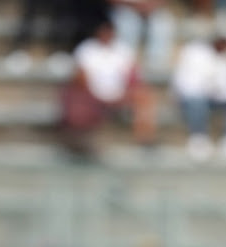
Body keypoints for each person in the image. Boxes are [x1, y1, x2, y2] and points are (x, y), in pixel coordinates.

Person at [59, 19, 157, 157]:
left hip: (119, 93)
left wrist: (125, 91)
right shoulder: (86, 50)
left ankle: (145, 139)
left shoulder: (123, 50)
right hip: (91, 94)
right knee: (73, 97)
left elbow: (133, 75)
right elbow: (80, 78)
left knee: (144, 96)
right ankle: (80, 141)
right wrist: (95, 94)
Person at [171, 32, 226, 162]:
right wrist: (208, 88)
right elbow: (186, 84)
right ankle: (198, 138)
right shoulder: (195, 53)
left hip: (218, 98)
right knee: (197, 101)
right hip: (194, 97)